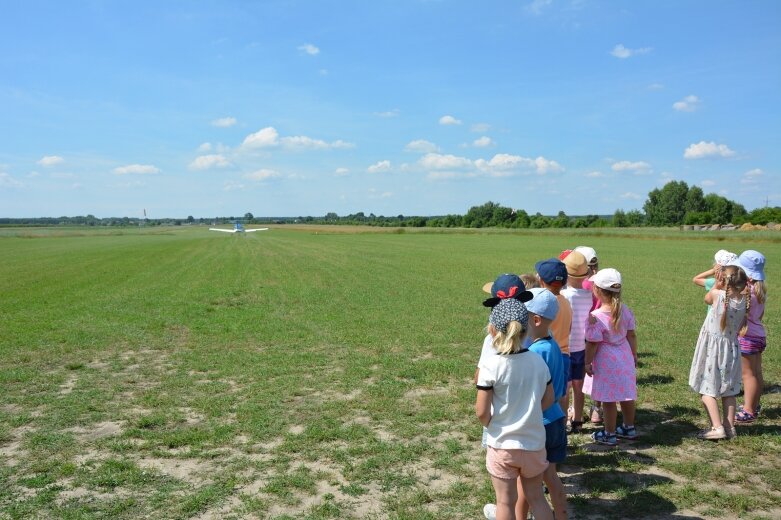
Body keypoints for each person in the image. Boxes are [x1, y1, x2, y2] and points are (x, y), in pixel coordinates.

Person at [476, 296, 555, 520]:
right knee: (537, 498)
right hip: (534, 442)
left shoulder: (491, 365)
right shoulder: (538, 361)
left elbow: (482, 412)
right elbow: (549, 399)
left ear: (493, 329)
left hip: (502, 445)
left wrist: (494, 424)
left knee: (504, 502)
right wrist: (531, 414)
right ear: (526, 327)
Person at [689, 265, 748, 440]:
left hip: (713, 350)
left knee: (706, 389)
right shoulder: (746, 300)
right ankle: (730, 428)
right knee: (729, 390)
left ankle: (717, 428)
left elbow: (707, 299)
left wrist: (717, 284)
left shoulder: (717, 295)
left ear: (723, 280)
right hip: (731, 349)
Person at [584, 268, 638, 446]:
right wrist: (633, 354)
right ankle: (629, 427)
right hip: (624, 356)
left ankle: (609, 433)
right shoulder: (625, 310)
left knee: (608, 399)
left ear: (597, 290)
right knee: (627, 395)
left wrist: (587, 362)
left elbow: (592, 343)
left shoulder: (596, 317)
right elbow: (631, 335)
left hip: (606, 360)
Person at [733, 251, 767, 423]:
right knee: (756, 373)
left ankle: (748, 410)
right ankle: (754, 404)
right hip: (759, 335)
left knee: (748, 375)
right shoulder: (760, 291)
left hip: (747, 338)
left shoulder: (746, 292)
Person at [534, 258, 573, 412]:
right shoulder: (565, 302)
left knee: (543, 393)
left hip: (545, 354)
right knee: (561, 394)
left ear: (541, 280)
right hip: (564, 355)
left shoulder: (542, 304)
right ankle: (561, 427)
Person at [560, 250, 591, 434]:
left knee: (565, 388)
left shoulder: (564, 296)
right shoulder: (589, 296)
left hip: (566, 347)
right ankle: (578, 421)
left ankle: (563, 422)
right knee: (579, 388)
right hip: (582, 348)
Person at [574, 245, 604, 424]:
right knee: (596, 371)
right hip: (600, 332)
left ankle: (575, 409)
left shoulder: (580, 285)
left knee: (580, 375)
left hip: (581, 333)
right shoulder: (601, 282)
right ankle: (597, 409)